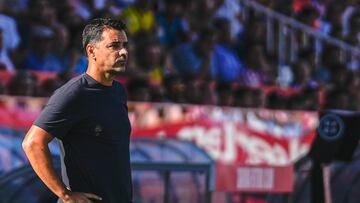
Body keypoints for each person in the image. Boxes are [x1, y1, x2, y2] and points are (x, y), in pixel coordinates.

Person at [22, 18, 133, 203]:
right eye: (114, 45)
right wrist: (64, 194)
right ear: (91, 51)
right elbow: (32, 143)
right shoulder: (74, 93)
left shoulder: (118, 91)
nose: (124, 51)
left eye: (124, 45)